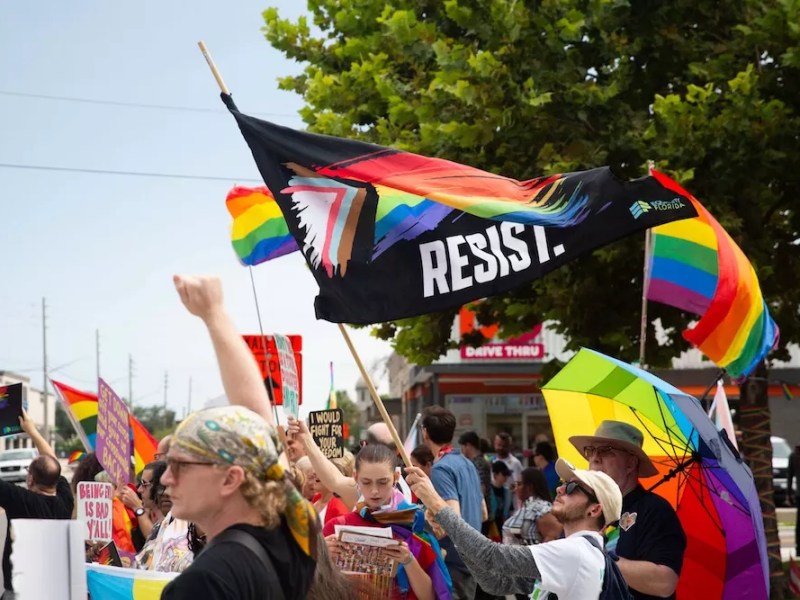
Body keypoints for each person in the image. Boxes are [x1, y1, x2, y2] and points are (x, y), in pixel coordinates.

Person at [159, 405, 317, 599]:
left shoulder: (203, 582)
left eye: (180, 465)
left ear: (230, 479)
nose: (165, 478)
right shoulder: (295, 533)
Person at [406, 457, 623, 599]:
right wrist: (452, 529)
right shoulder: (580, 551)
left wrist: (436, 502)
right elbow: (495, 583)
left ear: (594, 510)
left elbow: (491, 556)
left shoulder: (576, 552)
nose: (560, 489)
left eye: (572, 487)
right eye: (562, 483)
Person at [570, 420, 686, 600]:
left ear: (631, 463)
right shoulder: (585, 507)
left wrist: (598, 556)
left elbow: (664, 582)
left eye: (605, 451)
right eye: (591, 451)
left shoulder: (655, 510)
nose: (594, 458)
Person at [322, 443, 449, 600]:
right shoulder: (336, 527)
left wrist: (408, 560)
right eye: (366, 482)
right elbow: (313, 586)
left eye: (382, 482)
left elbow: (430, 596)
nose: (375, 491)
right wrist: (322, 556)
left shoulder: (411, 525)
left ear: (395, 477)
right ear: (355, 478)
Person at [1, 410, 74, 595]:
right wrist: (32, 431)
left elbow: (52, 463)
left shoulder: (20, 500)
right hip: (50, 590)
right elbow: (53, 463)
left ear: (31, 479)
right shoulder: (65, 501)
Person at [421, 406, 484, 600]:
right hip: (473, 557)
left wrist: (429, 517)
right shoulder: (467, 462)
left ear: (425, 432)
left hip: (454, 561)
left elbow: (452, 516)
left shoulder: (441, 468)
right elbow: (484, 513)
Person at [502, 467, 561, 546]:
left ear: (529, 487)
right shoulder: (526, 508)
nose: (516, 489)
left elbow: (552, 538)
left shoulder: (542, 509)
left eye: (519, 484)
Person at [488, 461, 513, 537]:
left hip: (502, 527)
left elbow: (510, 510)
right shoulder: (488, 491)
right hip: (489, 526)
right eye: (504, 474)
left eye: (507, 475)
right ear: (495, 474)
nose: (506, 477)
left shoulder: (507, 492)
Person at [788, 443, 798, 556]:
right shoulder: (794, 456)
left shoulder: (794, 455)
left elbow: (790, 476)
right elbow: (790, 475)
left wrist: (789, 494)